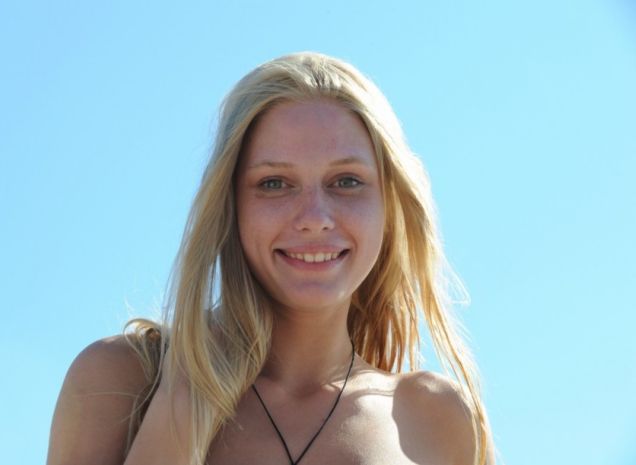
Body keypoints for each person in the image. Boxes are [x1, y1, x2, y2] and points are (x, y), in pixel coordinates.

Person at [47, 51, 495, 465]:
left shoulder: (437, 416)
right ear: (230, 204)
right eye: (274, 183)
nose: (315, 218)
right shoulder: (121, 380)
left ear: (389, 205)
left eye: (346, 181)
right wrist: (186, 394)